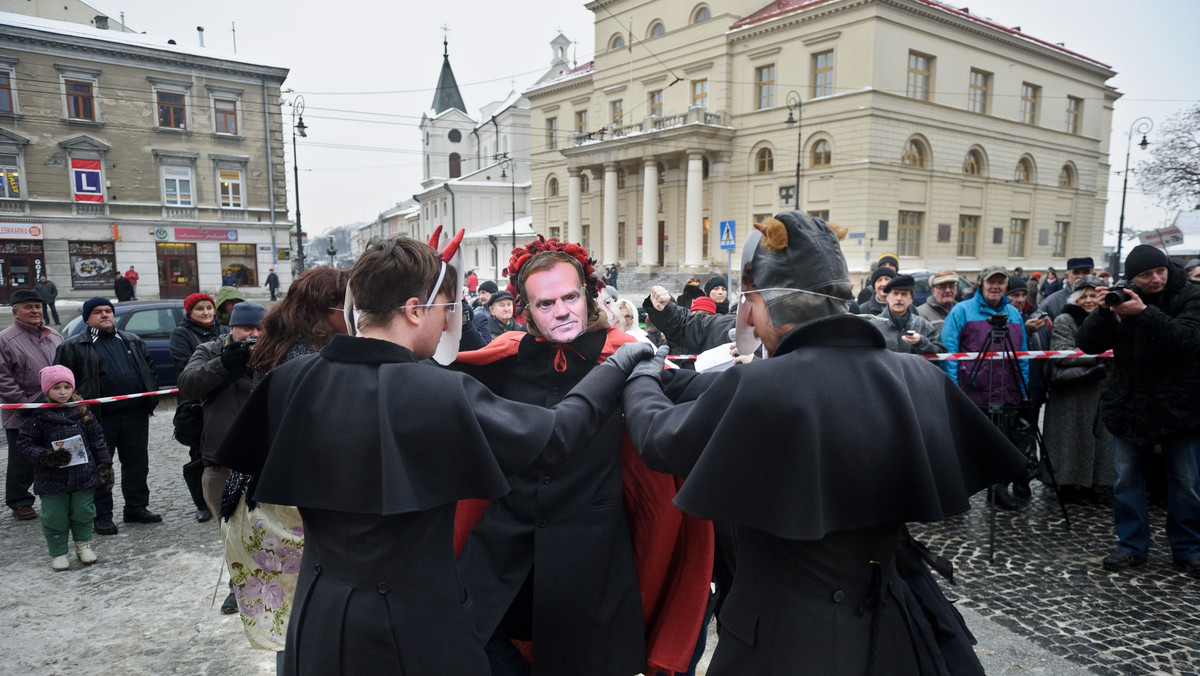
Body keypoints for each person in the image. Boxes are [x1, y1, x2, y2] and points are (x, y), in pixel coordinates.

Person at [213, 235, 651, 674]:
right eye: (445, 311)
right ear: (414, 309)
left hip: (316, 614)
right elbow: (556, 437)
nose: (446, 327)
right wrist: (617, 365)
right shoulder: (438, 392)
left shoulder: (288, 379)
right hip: (417, 624)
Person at [622, 211, 1024, 674]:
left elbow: (658, 439)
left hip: (781, 642)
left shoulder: (763, 388)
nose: (746, 316)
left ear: (771, 304)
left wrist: (642, 374)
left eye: (750, 302)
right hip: (895, 629)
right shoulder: (916, 377)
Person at [453, 237, 711, 675]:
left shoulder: (626, 355)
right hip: (499, 569)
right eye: (546, 302)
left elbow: (690, 396)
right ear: (526, 310)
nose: (561, 311)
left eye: (570, 297)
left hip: (591, 573)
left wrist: (758, 375)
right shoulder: (503, 360)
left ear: (588, 295)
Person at [218, 265, 348, 663]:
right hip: (279, 505)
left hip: (253, 499)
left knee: (289, 622)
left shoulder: (284, 343)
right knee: (304, 621)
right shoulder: (310, 357)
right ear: (329, 310)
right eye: (351, 305)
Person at [1077, 245, 1200, 578]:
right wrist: (1104, 313)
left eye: (1160, 271)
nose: (1156, 278)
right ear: (1133, 279)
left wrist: (1144, 312)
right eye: (1146, 275)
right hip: (1130, 406)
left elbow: (1189, 339)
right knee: (1127, 480)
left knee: (1186, 483)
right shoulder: (1121, 298)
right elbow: (1088, 345)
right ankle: (1131, 546)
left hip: (1183, 408)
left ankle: (1188, 547)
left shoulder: (1191, 295)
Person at [178, 301, 264, 614]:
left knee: (266, 528)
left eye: (259, 328)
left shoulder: (274, 352)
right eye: (246, 328)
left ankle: (271, 580)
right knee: (231, 531)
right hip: (220, 459)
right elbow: (187, 385)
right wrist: (226, 364)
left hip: (264, 459)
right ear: (232, 328)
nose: (253, 334)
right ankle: (238, 586)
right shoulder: (210, 351)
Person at [54, 297, 160, 535]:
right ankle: (102, 515)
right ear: (87, 318)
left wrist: (149, 397)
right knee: (101, 466)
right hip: (97, 418)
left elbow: (150, 370)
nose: (105, 315)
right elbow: (61, 383)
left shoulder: (132, 340)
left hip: (135, 415)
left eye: (108, 311)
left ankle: (136, 507)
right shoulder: (73, 346)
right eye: (98, 312)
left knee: (137, 464)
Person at [940, 266, 1031, 510]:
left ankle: (998, 491)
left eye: (1001, 282)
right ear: (981, 283)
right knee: (965, 445)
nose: (996, 287)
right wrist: (954, 388)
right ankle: (956, 495)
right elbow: (950, 352)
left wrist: (1024, 387)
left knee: (1001, 444)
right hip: (972, 391)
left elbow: (1022, 354)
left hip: (1005, 391)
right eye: (992, 281)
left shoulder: (1013, 314)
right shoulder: (961, 311)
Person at [17, 365, 112, 570]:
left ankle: (83, 545)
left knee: (83, 511)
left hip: (84, 475)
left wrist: (105, 465)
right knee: (54, 515)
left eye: (67, 387)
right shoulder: (37, 416)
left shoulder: (82, 411)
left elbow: (97, 440)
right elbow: (24, 444)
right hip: (51, 479)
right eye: (57, 387)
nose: (62, 392)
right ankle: (58, 551)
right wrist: (45, 456)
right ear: (46, 390)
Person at [1043, 276, 1112, 505]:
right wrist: (1097, 359)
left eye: (1094, 295)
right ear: (1076, 298)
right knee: (1069, 441)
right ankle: (1067, 485)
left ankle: (1090, 484)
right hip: (1072, 392)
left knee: (1095, 441)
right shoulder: (1066, 319)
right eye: (1084, 296)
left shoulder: (1110, 318)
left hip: (1099, 390)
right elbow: (1062, 354)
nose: (1089, 300)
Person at [1, 289, 64, 521]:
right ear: (15, 311)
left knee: (55, 451)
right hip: (22, 411)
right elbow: (3, 378)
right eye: (28, 307)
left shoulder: (54, 335)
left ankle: (58, 492)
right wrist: (24, 405)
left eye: (38, 306)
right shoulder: (5, 339)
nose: (35, 311)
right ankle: (20, 501)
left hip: (55, 407)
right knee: (22, 459)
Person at [169, 293, 228, 523]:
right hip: (196, 404)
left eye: (209, 308)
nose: (205, 312)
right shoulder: (181, 334)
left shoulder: (223, 329)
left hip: (224, 399)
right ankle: (202, 503)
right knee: (199, 455)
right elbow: (186, 367)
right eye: (199, 309)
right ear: (189, 313)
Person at [869, 274, 942, 355]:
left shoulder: (923, 325)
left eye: (904, 294)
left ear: (911, 300)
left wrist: (921, 342)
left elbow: (940, 353)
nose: (899, 298)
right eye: (895, 294)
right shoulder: (874, 326)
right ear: (887, 298)